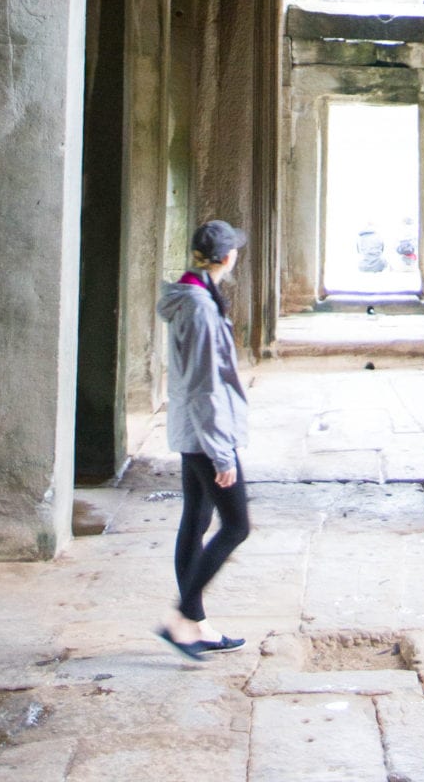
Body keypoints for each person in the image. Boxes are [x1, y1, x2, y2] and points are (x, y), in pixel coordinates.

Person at [156, 219, 252, 662]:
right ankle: (181, 620)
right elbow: (204, 386)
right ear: (227, 257)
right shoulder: (198, 307)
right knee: (236, 526)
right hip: (204, 434)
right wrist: (221, 453)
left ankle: (197, 624)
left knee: (196, 519)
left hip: (193, 430)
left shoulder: (196, 294)